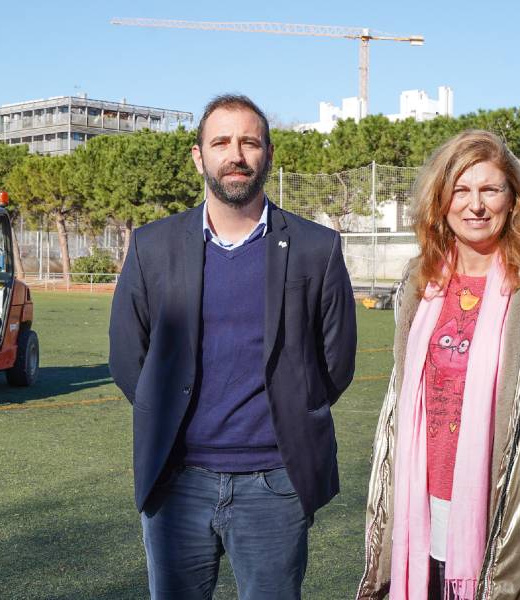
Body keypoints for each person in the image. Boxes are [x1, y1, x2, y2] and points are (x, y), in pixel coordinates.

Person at [109, 94, 356, 599]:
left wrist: (290, 410)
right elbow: (128, 356)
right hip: (177, 481)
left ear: (267, 153)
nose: (236, 154)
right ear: (199, 156)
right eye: (221, 142)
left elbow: (336, 363)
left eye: (249, 141)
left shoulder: (316, 247)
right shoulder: (153, 245)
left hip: (275, 485)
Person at [356, 130, 520, 600]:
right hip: (424, 506)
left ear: (512, 199)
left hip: (515, 518)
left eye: (490, 189)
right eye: (461, 189)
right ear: (442, 200)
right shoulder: (421, 281)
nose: (475, 205)